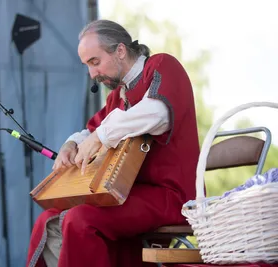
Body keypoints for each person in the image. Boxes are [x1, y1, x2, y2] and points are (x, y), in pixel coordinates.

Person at [26, 19, 200, 267]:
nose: (92, 74)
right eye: (87, 65)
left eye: (95, 62)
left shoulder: (162, 66)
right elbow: (90, 129)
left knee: (80, 219)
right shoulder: (118, 96)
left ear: (120, 50)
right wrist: (71, 145)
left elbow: (157, 113)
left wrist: (100, 137)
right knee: (49, 219)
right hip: (129, 196)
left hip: (172, 196)